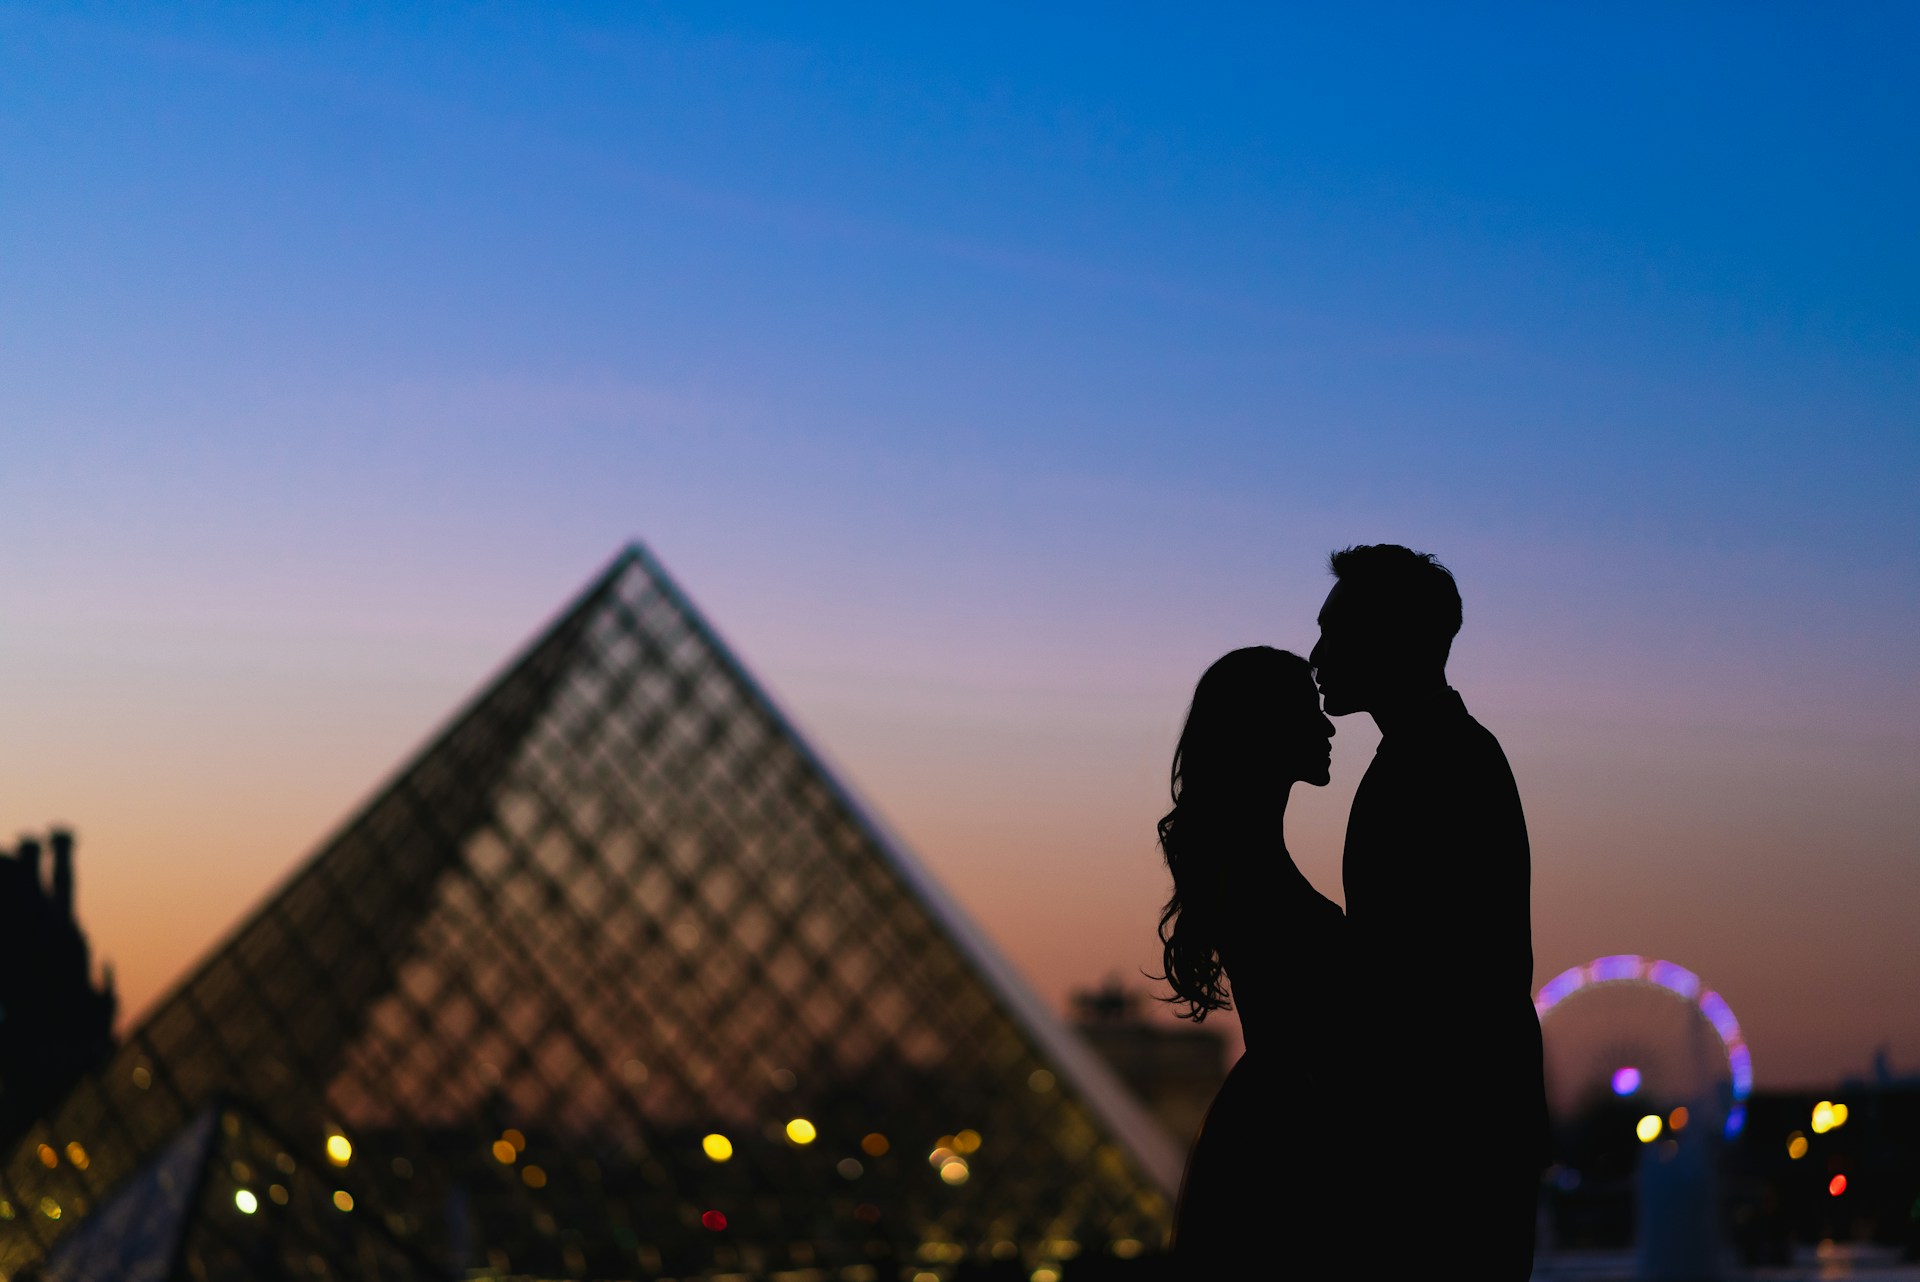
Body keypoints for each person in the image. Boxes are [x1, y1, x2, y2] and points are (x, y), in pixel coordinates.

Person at [1310, 544, 1548, 1278]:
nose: (1315, 656)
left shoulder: (1433, 765)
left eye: (1334, 633)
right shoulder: (1447, 755)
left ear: (1389, 640)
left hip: (1441, 1133)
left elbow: (1418, 976)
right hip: (1466, 1122)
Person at [1156, 646, 1353, 1278]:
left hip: (1275, 1120)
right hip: (1293, 1137)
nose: (1327, 728)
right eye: (1308, 712)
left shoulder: (1236, 860)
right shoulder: (1251, 869)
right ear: (1264, 728)